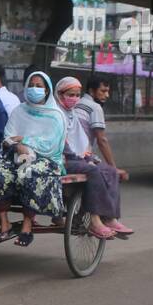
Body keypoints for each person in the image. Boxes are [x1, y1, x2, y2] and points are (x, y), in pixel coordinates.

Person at [0, 71, 66, 245]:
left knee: (28, 172)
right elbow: (8, 136)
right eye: (31, 85)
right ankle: (4, 223)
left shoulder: (56, 115)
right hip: (15, 155)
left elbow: (50, 145)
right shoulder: (19, 110)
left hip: (46, 160)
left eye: (39, 86)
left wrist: (24, 140)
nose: (34, 89)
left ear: (47, 90)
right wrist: (17, 146)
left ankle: (27, 226)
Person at [56, 77, 129, 239]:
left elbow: (80, 141)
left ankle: (110, 218)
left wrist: (88, 156)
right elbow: (100, 140)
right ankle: (96, 219)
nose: (74, 98)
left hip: (78, 156)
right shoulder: (59, 113)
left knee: (109, 171)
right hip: (62, 159)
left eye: (76, 94)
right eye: (103, 90)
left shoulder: (72, 113)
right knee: (96, 170)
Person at [77, 76, 134, 234]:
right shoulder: (94, 108)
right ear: (91, 91)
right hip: (81, 155)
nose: (106, 95)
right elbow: (102, 140)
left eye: (108, 91)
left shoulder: (77, 103)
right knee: (110, 173)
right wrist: (113, 167)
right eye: (103, 91)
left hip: (77, 153)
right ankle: (110, 218)